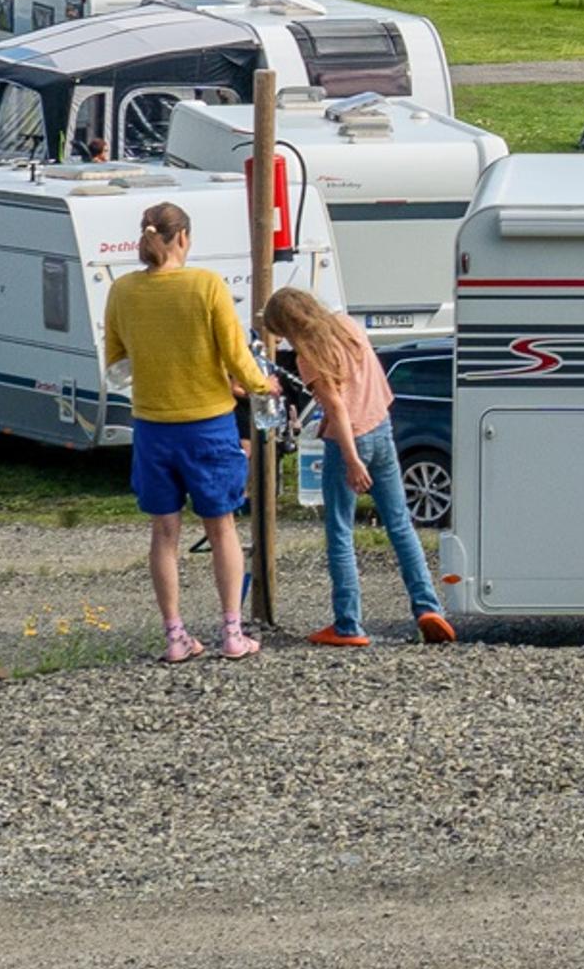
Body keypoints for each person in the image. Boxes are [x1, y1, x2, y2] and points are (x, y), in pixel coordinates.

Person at [98, 202, 275, 663]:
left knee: (164, 533)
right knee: (222, 527)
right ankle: (232, 632)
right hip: (208, 423)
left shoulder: (122, 291)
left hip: (153, 425)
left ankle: (175, 636)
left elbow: (116, 365)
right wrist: (260, 384)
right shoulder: (206, 286)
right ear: (183, 239)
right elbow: (237, 354)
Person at [257, 286, 454, 649]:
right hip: (383, 428)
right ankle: (428, 607)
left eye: (281, 332)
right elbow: (377, 381)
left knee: (341, 532)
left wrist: (351, 459)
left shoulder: (310, 354)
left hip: (350, 439)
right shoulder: (348, 326)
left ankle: (348, 624)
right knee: (400, 524)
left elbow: (336, 406)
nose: (283, 340)